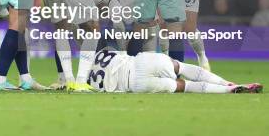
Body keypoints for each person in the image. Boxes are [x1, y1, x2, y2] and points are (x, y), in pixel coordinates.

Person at [42, 0, 121, 92]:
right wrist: (122, 52)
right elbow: (118, 24)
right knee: (94, 29)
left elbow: (77, 29)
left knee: (61, 31)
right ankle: (81, 81)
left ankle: (69, 80)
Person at [86, 47, 262, 94]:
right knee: (181, 67)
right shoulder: (101, 53)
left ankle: (228, 90)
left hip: (134, 84)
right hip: (140, 62)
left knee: (183, 86)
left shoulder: (90, 83)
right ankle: (228, 83)